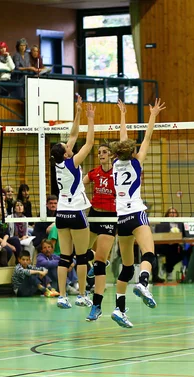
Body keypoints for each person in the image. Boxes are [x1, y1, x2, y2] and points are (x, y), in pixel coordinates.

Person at [108, 98, 165, 328]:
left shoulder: (115, 165)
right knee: (149, 253)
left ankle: (119, 309)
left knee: (126, 266)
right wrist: (152, 115)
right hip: (137, 214)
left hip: (121, 219)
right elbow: (148, 137)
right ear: (132, 151)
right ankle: (143, 282)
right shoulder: (136, 163)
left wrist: (122, 115)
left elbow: (122, 140)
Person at [49, 96, 95, 309]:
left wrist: (77, 112)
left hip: (61, 214)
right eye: (66, 146)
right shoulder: (73, 162)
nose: (68, 144)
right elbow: (89, 142)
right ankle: (83, 295)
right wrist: (90, 118)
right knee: (83, 256)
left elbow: (74, 134)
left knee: (64, 257)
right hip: (76, 212)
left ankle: (61, 296)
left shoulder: (57, 163)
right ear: (66, 152)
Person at [82, 114, 119, 320]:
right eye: (99, 152)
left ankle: (96, 307)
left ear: (112, 155)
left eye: (104, 152)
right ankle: (100, 263)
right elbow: (79, 186)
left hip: (110, 218)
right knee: (82, 252)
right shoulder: (95, 173)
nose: (101, 155)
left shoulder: (118, 173)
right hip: (94, 215)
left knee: (98, 261)